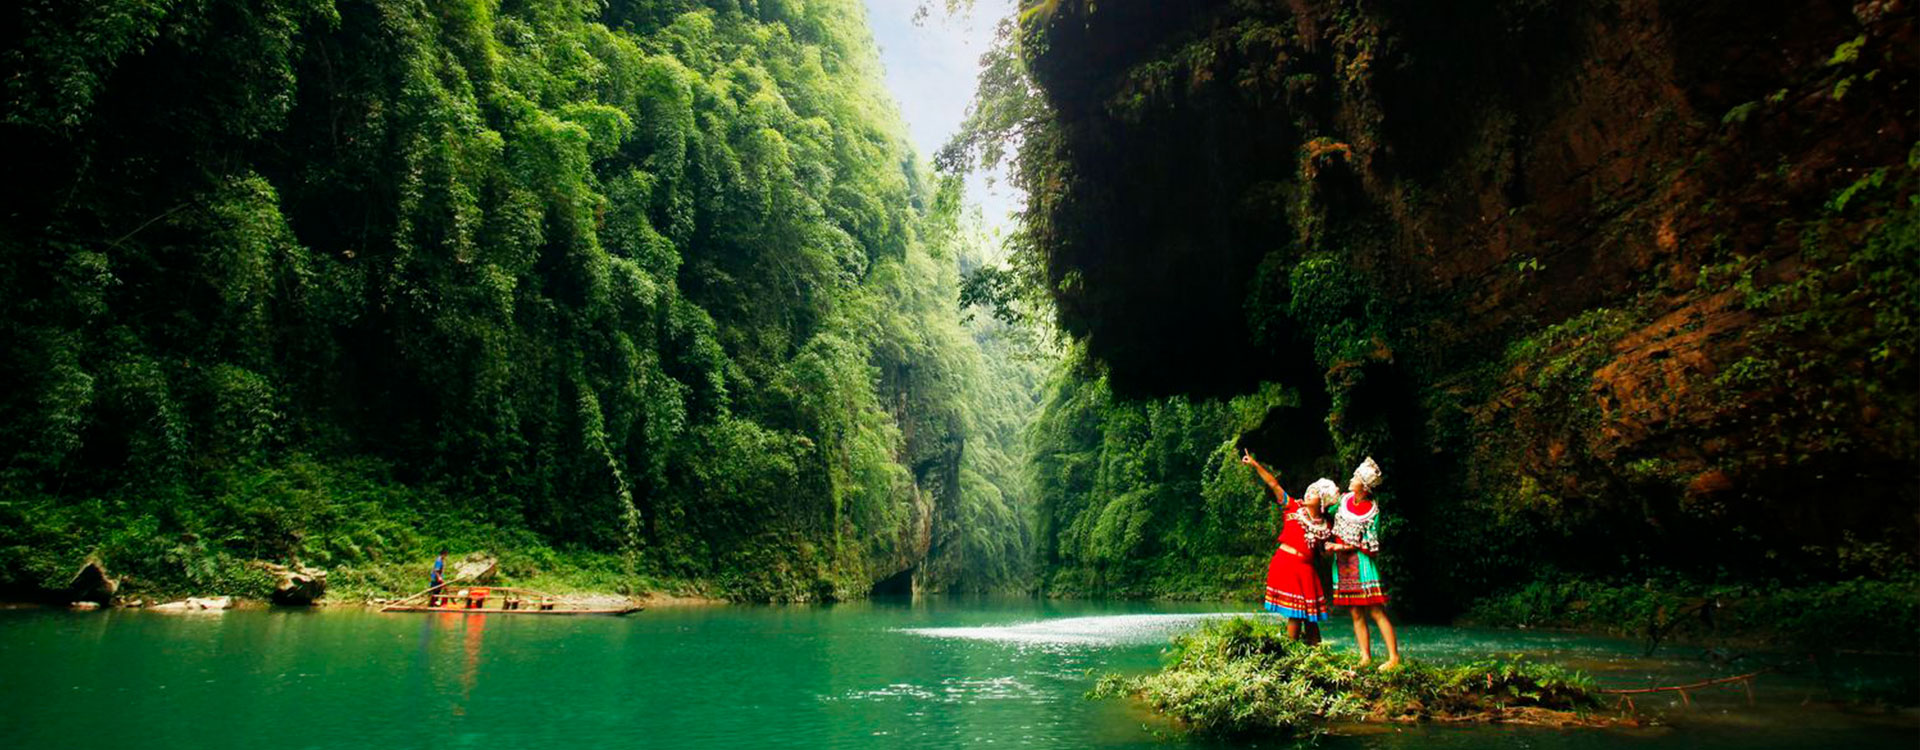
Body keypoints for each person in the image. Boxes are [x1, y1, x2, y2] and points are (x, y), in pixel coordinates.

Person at [1241, 450, 1332, 643]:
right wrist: (1255, 464)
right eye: (1310, 490)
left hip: (1306, 568)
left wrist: (1332, 549)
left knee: (1310, 617)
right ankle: (1292, 652)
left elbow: (1322, 553)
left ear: (1322, 501)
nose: (1309, 493)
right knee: (1296, 613)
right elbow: (1273, 484)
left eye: (1315, 493)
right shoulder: (1293, 506)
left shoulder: (1325, 525)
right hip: (1286, 562)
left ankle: (1315, 652)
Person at [1326, 457, 1401, 670]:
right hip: (1342, 563)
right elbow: (1329, 512)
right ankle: (1365, 656)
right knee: (1355, 612)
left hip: (1361, 562)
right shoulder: (1344, 501)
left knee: (1376, 610)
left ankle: (1394, 657)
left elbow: (1368, 543)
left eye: (1355, 478)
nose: (1351, 479)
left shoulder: (1372, 512)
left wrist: (1339, 547)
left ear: (1365, 487)